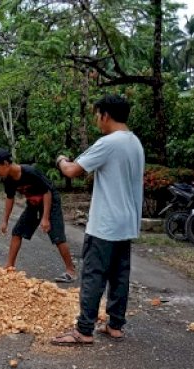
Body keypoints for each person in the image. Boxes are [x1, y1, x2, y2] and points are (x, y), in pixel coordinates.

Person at [50, 94, 145, 346]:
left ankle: (84, 330)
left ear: (105, 115)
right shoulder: (135, 142)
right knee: (119, 276)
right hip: (126, 223)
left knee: (94, 275)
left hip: (105, 224)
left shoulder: (109, 143)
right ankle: (115, 325)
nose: (96, 120)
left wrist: (61, 159)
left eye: (96, 115)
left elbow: (72, 170)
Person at [0, 149, 77, 282]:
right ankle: (9, 266)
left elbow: (47, 192)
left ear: (6, 163)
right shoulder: (8, 180)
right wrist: (5, 221)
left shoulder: (30, 172)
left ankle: (71, 271)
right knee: (17, 232)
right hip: (33, 203)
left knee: (57, 236)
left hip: (50, 201)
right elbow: (9, 198)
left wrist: (45, 218)